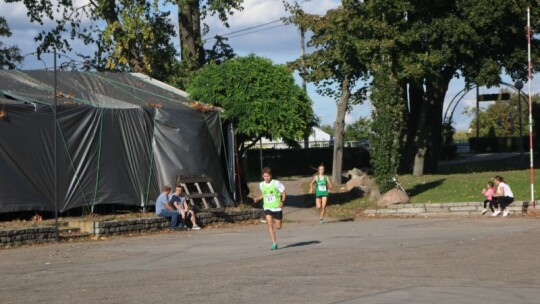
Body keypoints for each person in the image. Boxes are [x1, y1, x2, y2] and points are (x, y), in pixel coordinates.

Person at [254, 167, 286, 250]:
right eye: (265, 176)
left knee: (278, 226)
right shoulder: (261, 184)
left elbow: (284, 193)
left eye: (268, 176)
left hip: (277, 207)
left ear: (270, 176)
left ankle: (277, 222)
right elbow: (264, 194)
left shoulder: (276, 183)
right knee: (269, 223)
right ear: (262, 176)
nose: (266, 178)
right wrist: (258, 198)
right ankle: (274, 243)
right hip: (267, 207)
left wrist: (282, 202)